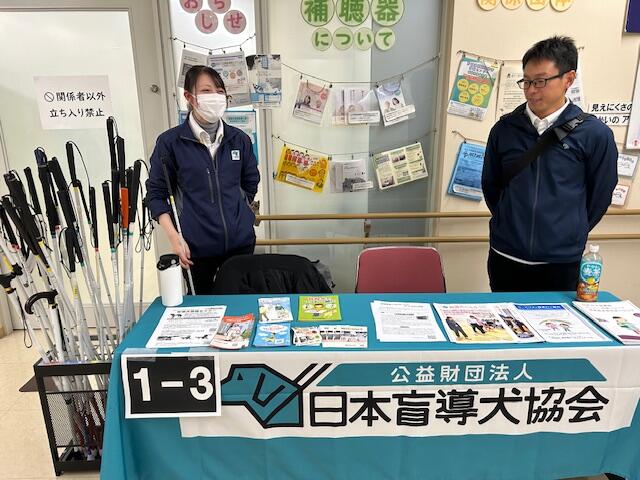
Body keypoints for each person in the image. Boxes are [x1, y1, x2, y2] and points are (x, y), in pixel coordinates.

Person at [482, 36, 617, 292]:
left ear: (569, 79)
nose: (531, 90)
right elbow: (491, 186)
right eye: (527, 81)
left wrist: (568, 231)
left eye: (541, 81)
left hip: (561, 262)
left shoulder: (594, 134)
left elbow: (599, 196)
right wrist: (509, 222)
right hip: (505, 256)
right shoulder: (504, 129)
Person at [146, 65, 260, 294]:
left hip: (240, 244)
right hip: (195, 248)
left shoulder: (239, 140)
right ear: (190, 97)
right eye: (207, 91)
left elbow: (250, 183)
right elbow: (156, 195)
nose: (215, 96)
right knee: (205, 308)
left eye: (220, 91)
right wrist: (174, 237)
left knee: (240, 306)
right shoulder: (171, 143)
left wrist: (239, 213)